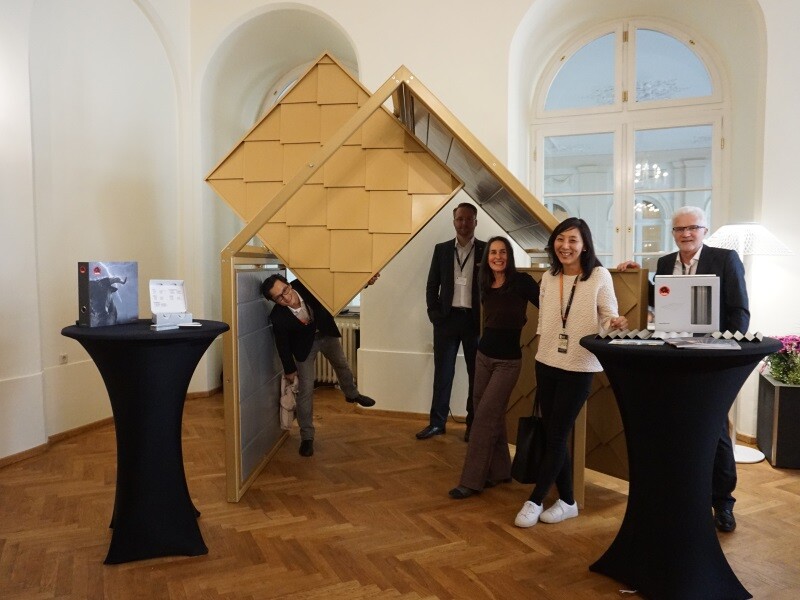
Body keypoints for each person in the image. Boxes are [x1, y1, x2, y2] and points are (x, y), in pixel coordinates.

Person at [617, 205, 749, 532]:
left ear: (705, 230)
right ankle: (688, 498)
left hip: (711, 360)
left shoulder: (725, 259)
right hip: (674, 357)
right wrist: (635, 275)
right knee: (679, 429)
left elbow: (739, 313)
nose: (687, 234)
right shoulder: (664, 264)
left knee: (715, 432)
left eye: (693, 228)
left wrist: (726, 354)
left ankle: (723, 502)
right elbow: (659, 304)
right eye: (680, 229)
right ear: (673, 233)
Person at [515, 217, 628, 528]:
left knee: (558, 433)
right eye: (561, 239)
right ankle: (567, 501)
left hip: (579, 365)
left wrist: (616, 324)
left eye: (573, 241)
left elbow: (608, 317)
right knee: (554, 433)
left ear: (585, 245)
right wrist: (543, 347)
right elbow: (544, 321)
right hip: (547, 361)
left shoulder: (599, 276)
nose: (566, 246)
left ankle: (535, 499)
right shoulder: (550, 277)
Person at [449, 236, 540, 499]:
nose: (497, 257)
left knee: (483, 418)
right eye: (493, 253)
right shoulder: (484, 282)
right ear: (487, 257)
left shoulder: (522, 283)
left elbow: (549, 303)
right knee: (491, 414)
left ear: (509, 256)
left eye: (502, 252)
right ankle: (500, 470)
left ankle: (472, 480)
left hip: (507, 363)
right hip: (483, 356)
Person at [261, 274, 376, 457]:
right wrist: (290, 369)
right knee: (306, 389)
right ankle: (307, 437)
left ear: (289, 284)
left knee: (342, 365)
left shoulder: (306, 283)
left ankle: (352, 394)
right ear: (273, 301)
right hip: (304, 348)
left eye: (285, 290)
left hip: (326, 333)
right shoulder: (277, 316)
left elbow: (337, 288)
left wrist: (365, 283)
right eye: (279, 297)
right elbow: (282, 345)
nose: (286, 296)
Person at [417, 202, 486, 441]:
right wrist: (434, 315)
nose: (464, 223)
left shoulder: (487, 251)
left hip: (474, 322)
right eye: (459, 219)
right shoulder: (442, 250)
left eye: (468, 219)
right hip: (447, 320)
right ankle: (437, 423)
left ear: (475, 222)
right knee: (443, 374)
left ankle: (473, 424)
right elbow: (431, 285)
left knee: (476, 375)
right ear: (453, 222)